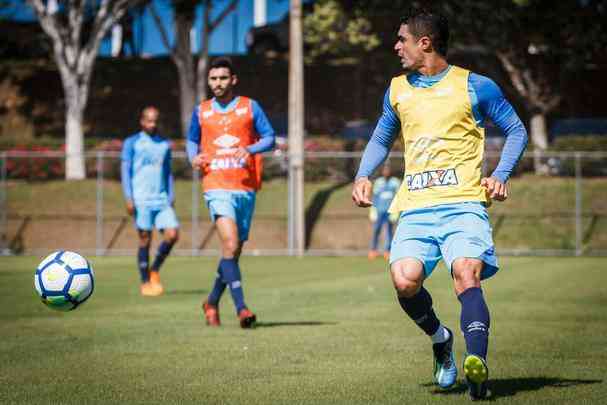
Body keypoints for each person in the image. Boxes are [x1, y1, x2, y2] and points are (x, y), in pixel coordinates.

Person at [351, 9, 528, 400]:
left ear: (424, 43)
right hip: (415, 208)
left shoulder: (475, 86)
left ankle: (477, 369)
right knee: (405, 281)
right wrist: (363, 175)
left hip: (463, 203)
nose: (396, 47)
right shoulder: (397, 90)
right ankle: (441, 338)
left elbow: (516, 129)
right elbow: (381, 139)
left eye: (402, 40)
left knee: (467, 273)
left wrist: (500, 174)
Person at [186, 57, 275, 329]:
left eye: (223, 78)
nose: (217, 83)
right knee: (231, 244)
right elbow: (191, 139)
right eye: (213, 79)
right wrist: (193, 157)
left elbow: (269, 137)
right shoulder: (201, 111)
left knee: (231, 251)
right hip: (216, 185)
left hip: (245, 187)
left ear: (233, 80)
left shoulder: (250, 107)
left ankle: (211, 301)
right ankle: (242, 309)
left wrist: (249, 149)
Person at [121, 106, 179, 297]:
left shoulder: (164, 144)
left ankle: (154, 269)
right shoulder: (132, 143)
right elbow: (125, 172)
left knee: (172, 234)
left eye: (155, 120)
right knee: (145, 238)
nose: (152, 124)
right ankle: (145, 282)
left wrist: (171, 195)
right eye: (149, 120)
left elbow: (168, 171)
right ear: (142, 121)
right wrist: (129, 197)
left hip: (161, 200)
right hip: (141, 200)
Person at [368, 164, 401, 260]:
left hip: (390, 211)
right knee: (376, 230)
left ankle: (388, 251)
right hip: (379, 211)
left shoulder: (395, 182)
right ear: (382, 172)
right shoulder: (379, 182)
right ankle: (373, 250)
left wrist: (396, 211)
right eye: (384, 170)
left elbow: (398, 196)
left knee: (389, 231)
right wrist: (373, 210)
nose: (386, 172)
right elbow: (375, 196)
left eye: (388, 170)